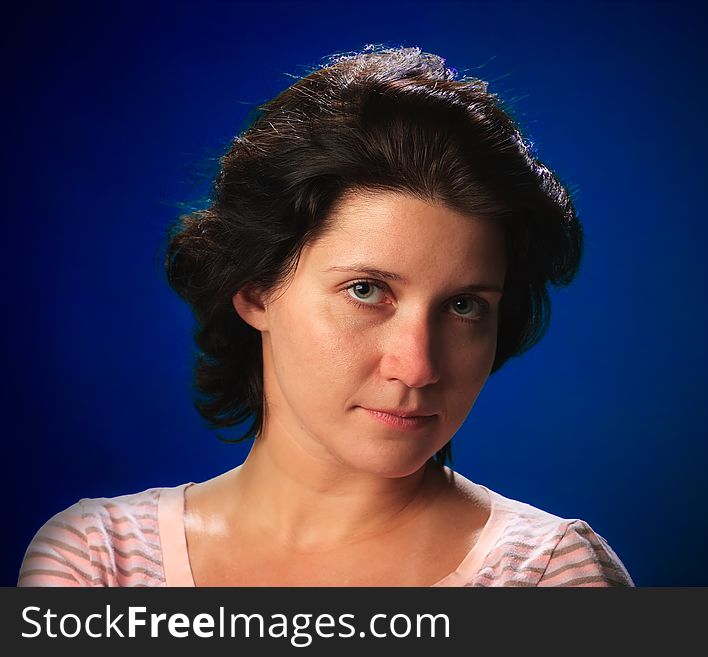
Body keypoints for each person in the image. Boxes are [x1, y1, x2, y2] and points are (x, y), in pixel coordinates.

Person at [18, 47, 633, 587]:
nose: (417, 365)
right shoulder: (97, 561)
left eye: (464, 305)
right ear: (256, 288)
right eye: (366, 290)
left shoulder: (549, 577)